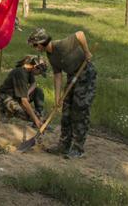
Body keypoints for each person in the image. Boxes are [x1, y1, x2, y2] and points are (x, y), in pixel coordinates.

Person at [28, 27, 95, 159]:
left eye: (35, 45)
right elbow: (57, 75)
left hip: (85, 74)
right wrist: (57, 98)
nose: (35, 48)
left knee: (80, 110)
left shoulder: (61, 45)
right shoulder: (50, 55)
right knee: (67, 109)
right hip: (72, 76)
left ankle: (78, 148)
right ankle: (64, 145)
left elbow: (80, 34)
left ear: (41, 43)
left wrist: (87, 52)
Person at [0, 55, 46, 128]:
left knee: (38, 91)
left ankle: (39, 116)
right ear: (35, 68)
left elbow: (34, 84)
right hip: (7, 98)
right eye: (39, 73)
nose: (38, 75)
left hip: (18, 96)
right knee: (29, 115)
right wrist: (35, 119)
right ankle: (4, 111)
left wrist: (27, 93)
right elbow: (24, 101)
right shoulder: (21, 73)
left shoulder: (29, 69)